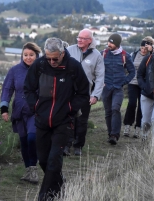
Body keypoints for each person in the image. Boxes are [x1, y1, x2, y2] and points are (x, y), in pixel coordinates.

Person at [24, 37, 89, 200]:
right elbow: (28, 89)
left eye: (55, 58)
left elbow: (83, 93)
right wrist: (35, 107)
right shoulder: (39, 65)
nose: (52, 61)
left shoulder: (73, 67)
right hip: (42, 121)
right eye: (48, 58)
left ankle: (44, 196)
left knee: (54, 160)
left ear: (62, 53)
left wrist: (69, 108)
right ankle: (60, 186)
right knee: (43, 161)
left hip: (64, 121)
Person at [0, 42, 41, 183]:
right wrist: (4, 108)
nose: (28, 58)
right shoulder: (14, 70)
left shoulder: (42, 69)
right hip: (19, 111)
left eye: (31, 55)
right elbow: (7, 89)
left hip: (35, 111)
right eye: (25, 55)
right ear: (21, 56)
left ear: (37, 56)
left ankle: (34, 169)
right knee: (23, 141)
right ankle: (28, 170)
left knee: (32, 138)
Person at [66, 28, 105, 156]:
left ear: (90, 40)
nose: (79, 40)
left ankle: (78, 146)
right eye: (78, 37)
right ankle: (66, 145)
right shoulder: (69, 50)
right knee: (68, 119)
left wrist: (95, 95)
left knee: (82, 120)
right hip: (68, 92)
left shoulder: (97, 55)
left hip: (85, 93)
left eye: (83, 38)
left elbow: (100, 77)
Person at [102, 33, 135, 145]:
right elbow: (98, 69)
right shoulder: (104, 54)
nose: (109, 44)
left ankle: (115, 135)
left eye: (111, 43)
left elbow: (132, 72)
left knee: (115, 109)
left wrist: (124, 82)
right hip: (106, 88)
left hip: (118, 88)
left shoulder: (125, 55)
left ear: (117, 44)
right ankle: (110, 134)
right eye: (108, 42)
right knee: (108, 112)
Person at [123, 36, 154, 138]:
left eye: (145, 48)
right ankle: (127, 125)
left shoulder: (152, 56)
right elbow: (128, 67)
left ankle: (138, 128)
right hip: (133, 83)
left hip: (145, 84)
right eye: (142, 48)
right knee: (132, 103)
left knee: (142, 106)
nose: (143, 50)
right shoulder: (134, 54)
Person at [137, 41, 154, 146]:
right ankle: (144, 136)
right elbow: (139, 74)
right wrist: (144, 86)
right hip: (146, 94)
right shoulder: (147, 59)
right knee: (146, 121)